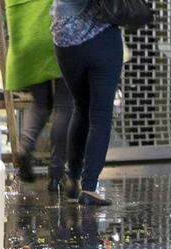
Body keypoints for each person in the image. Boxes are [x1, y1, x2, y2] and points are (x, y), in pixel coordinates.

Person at [51, 0, 123, 206]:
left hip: (65, 40)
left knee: (81, 107)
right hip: (101, 38)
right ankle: (89, 187)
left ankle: (73, 180)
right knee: (100, 114)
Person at [7, 0, 73, 195]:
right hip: (55, 32)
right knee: (65, 104)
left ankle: (25, 148)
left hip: (28, 34)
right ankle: (56, 172)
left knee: (40, 103)